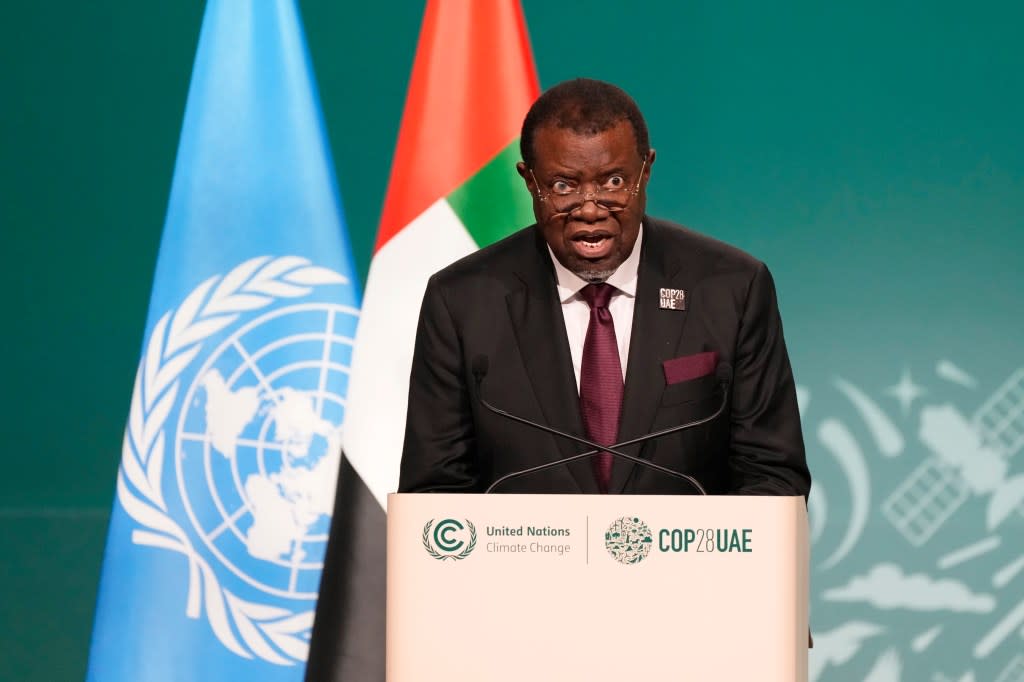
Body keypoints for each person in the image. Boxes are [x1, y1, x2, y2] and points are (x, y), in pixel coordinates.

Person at [398, 78, 810, 497]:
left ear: (646, 170)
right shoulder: (463, 301)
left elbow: (773, 474)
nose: (591, 209)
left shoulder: (730, 288)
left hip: (687, 562)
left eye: (614, 182)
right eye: (563, 186)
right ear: (529, 181)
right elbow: (436, 490)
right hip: (525, 562)